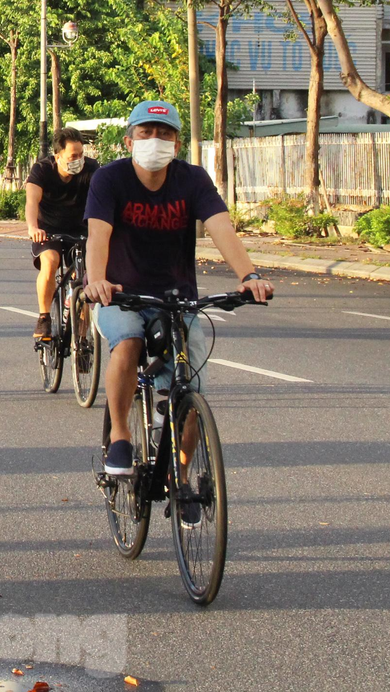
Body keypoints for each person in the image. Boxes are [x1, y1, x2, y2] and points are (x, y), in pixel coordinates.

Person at [82, 100, 274, 498]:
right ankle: (120, 436)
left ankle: (179, 477)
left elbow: (221, 227)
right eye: (147, 132)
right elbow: (98, 235)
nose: (155, 140)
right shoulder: (110, 179)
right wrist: (97, 281)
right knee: (128, 344)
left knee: (190, 394)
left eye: (165, 133)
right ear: (129, 139)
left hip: (176, 298)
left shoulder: (192, 180)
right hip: (121, 294)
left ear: (177, 143)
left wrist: (249, 275)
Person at [25, 126, 99, 340]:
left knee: (86, 280)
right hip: (48, 230)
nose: (79, 160)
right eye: (73, 156)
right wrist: (33, 228)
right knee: (50, 261)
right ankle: (44, 317)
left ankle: (82, 340)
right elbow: (32, 202)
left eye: (81, 154)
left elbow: (104, 200)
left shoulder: (92, 170)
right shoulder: (42, 170)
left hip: (81, 230)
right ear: (58, 156)